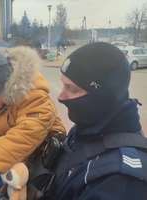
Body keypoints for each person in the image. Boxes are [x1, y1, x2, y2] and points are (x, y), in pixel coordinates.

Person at [48, 42, 147, 199]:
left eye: (72, 89)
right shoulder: (89, 125)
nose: (60, 96)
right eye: (63, 85)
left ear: (102, 97)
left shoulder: (121, 182)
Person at [0, 46, 66, 181]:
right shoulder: (1, 101)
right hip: (21, 157)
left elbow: (27, 133)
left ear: (2, 87)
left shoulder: (34, 96)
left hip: (45, 161)